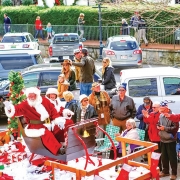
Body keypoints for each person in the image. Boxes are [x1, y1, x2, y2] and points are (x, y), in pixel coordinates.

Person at [3, 87, 70, 155]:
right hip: (35, 126)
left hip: (49, 123)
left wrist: (58, 120)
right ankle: (58, 150)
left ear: (37, 95)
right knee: (46, 133)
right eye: (29, 96)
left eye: (33, 95)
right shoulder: (25, 104)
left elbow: (53, 111)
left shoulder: (45, 101)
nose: (31, 98)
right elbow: (17, 110)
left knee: (61, 127)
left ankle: (63, 143)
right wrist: (9, 108)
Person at [157, 101, 178, 180]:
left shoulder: (174, 115)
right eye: (160, 109)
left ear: (167, 108)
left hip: (170, 139)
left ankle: (174, 173)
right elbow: (158, 123)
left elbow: (175, 128)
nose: (161, 111)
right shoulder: (161, 115)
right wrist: (158, 127)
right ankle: (165, 171)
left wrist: (164, 128)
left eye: (163, 109)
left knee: (172, 157)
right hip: (162, 138)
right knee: (164, 156)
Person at [142, 101, 162, 171]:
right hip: (151, 136)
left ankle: (159, 168)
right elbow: (147, 121)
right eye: (152, 107)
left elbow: (154, 122)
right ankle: (154, 167)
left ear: (159, 108)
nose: (153, 108)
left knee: (157, 154)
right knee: (153, 153)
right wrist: (145, 116)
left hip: (157, 137)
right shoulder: (151, 113)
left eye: (155, 107)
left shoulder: (160, 114)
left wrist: (147, 116)